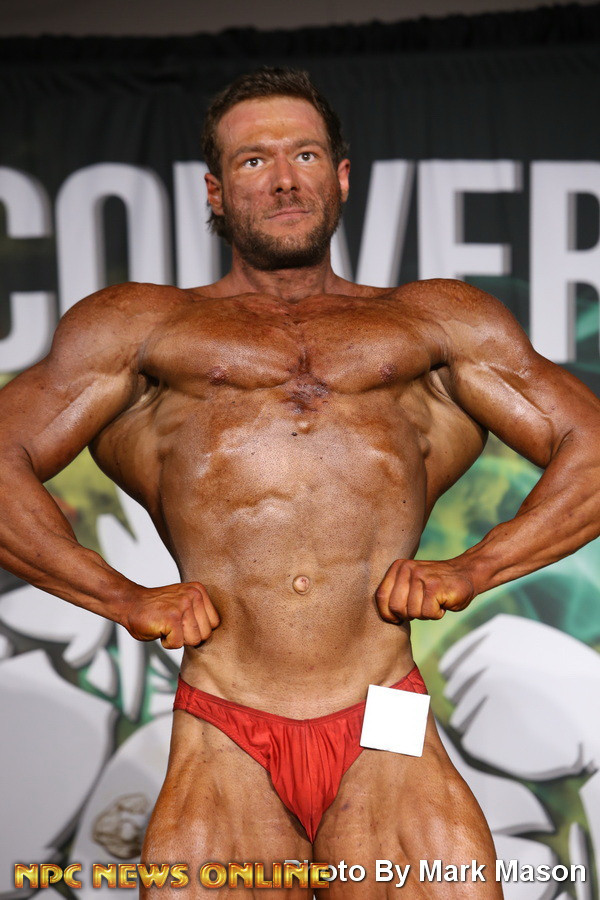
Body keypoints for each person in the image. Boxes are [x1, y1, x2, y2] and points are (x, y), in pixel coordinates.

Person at [1, 66, 599, 898]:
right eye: (254, 161)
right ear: (216, 191)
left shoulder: (435, 322)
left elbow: (590, 444)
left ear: (341, 176)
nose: (284, 178)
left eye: (305, 155)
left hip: (386, 715)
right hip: (223, 728)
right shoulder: (139, 328)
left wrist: (476, 567)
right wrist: (119, 596)